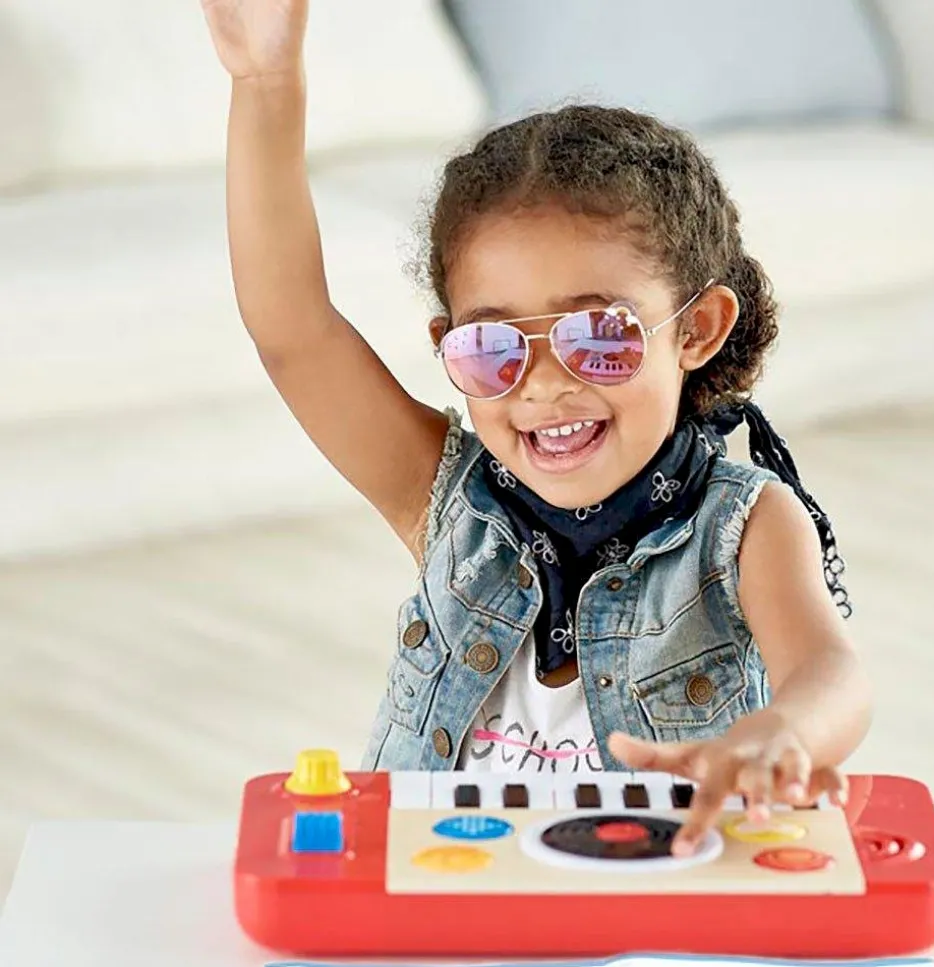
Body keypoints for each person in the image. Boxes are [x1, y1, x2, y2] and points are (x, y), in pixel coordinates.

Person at [200, 0, 872, 855]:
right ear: (448, 344)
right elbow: (291, 329)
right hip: (441, 903)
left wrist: (784, 732)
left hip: (647, 908)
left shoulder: (745, 526)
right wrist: (266, 83)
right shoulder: (443, 497)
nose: (544, 384)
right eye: (493, 347)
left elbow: (832, 673)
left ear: (696, 330)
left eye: (599, 336)